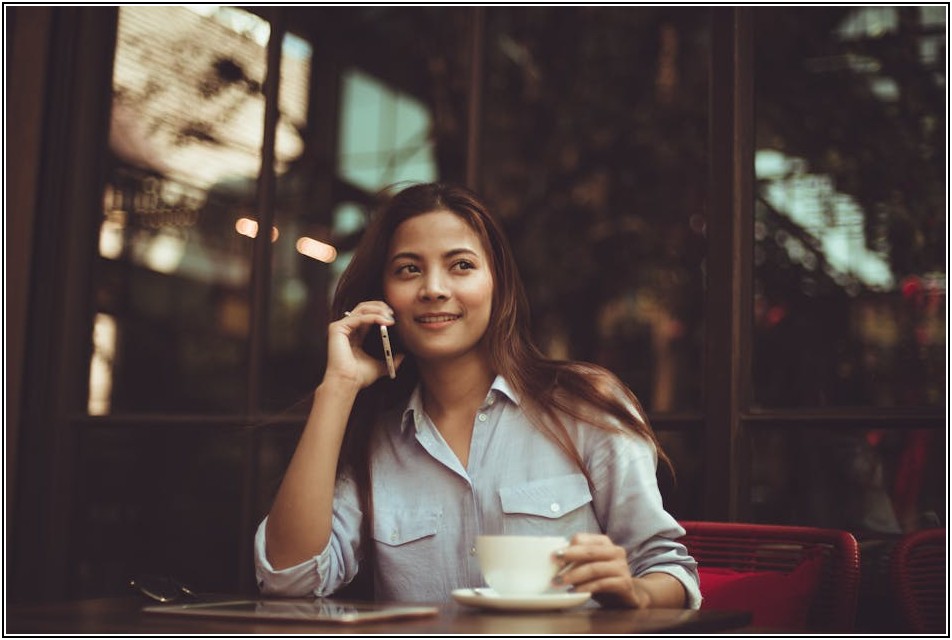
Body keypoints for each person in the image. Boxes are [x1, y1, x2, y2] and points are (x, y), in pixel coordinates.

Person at [254, 182, 700, 609]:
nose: (433, 288)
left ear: (497, 284)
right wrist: (337, 388)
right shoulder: (375, 441)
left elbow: (669, 570)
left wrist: (636, 593)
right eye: (409, 269)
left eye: (461, 265)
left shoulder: (583, 406)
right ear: (384, 297)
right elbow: (287, 578)